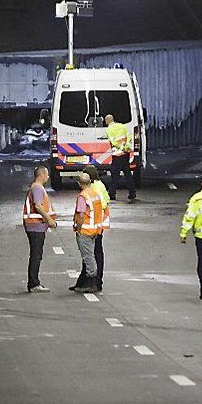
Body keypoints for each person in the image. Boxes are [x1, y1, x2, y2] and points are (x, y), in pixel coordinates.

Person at [70, 164, 109, 292]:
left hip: (90, 228)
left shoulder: (90, 191)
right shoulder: (96, 189)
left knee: (91, 256)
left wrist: (78, 228)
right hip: (96, 227)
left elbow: (84, 213)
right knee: (89, 255)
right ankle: (84, 282)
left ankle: (94, 282)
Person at [23, 166, 57, 293]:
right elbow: (38, 205)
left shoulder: (36, 187)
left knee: (36, 255)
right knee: (36, 255)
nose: (48, 177)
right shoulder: (37, 188)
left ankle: (33, 282)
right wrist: (49, 219)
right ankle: (33, 283)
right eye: (47, 175)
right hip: (35, 225)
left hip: (35, 225)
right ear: (41, 174)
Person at [104, 114, 137, 203]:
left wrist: (120, 147)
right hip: (125, 153)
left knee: (115, 175)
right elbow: (128, 137)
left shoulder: (109, 129)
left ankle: (112, 194)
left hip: (117, 154)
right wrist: (125, 147)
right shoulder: (122, 126)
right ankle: (132, 193)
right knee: (127, 173)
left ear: (107, 121)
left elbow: (113, 141)